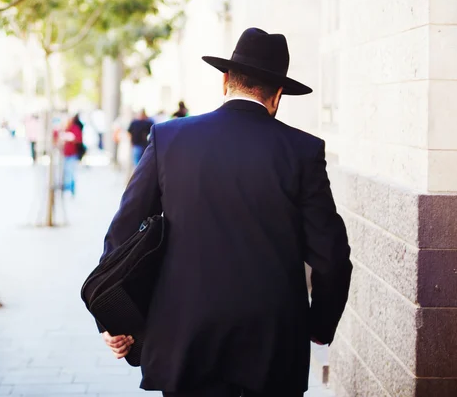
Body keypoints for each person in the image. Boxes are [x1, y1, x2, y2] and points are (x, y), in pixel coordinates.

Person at [100, 28, 352, 397]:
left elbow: (121, 236)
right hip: (272, 344)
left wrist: (115, 321)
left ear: (225, 82)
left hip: (184, 339)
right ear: (277, 96)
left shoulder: (169, 138)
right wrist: (319, 324)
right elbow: (332, 256)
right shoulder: (303, 151)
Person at [62, 114, 84, 197]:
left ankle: (70, 189)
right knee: (66, 171)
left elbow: (79, 139)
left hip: (72, 154)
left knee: (70, 172)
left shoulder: (75, 128)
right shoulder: (65, 129)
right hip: (65, 154)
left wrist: (72, 139)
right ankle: (67, 188)